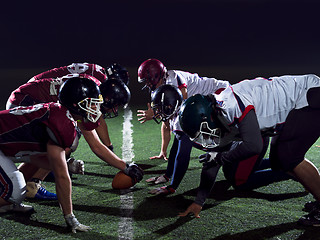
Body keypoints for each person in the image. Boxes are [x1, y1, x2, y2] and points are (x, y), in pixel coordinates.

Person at [0, 76, 143, 233]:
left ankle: (7, 202)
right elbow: (61, 177)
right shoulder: (61, 123)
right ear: (76, 104)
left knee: (27, 174)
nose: (96, 109)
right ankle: (9, 199)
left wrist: (66, 165)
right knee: (16, 190)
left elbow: (36, 158)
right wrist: (70, 217)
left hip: (7, 146)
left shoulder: (65, 115)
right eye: (92, 103)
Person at [178, 74, 320, 226]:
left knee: (289, 158)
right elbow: (213, 160)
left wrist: (221, 158)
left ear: (207, 118)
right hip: (296, 104)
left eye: (203, 132)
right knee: (278, 162)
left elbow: (254, 146)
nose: (205, 138)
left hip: (308, 96)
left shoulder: (231, 106)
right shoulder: (217, 113)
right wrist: (199, 201)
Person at [7, 62, 130, 200]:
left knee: (64, 137)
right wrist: (125, 166)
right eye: (115, 105)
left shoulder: (93, 85)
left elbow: (95, 131)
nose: (113, 110)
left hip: (34, 95)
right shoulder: (88, 92)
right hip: (28, 100)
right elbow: (95, 144)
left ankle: (19, 184)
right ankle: (32, 184)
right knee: (66, 138)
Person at [137, 58, 230, 195]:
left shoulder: (174, 78)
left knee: (185, 136)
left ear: (155, 76)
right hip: (198, 100)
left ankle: (173, 186)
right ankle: (169, 176)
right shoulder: (158, 91)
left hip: (220, 93)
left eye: (147, 80)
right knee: (180, 134)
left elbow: (183, 97)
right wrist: (163, 151)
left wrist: (172, 186)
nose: (146, 84)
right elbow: (166, 122)